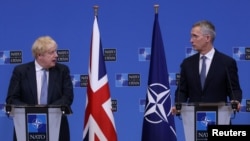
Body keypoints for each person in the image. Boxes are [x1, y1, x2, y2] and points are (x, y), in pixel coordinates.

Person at [6, 35, 74, 141]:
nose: (56, 55)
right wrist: (32, 110)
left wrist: (46, 110)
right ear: (39, 55)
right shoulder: (21, 71)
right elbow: (12, 98)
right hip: (27, 127)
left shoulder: (62, 71)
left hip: (56, 126)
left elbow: (67, 97)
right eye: (51, 52)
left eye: (56, 51)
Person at [172, 20, 242, 115]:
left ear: (207, 38)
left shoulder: (227, 63)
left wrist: (236, 100)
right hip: (193, 119)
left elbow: (234, 89)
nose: (191, 40)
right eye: (191, 36)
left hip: (219, 118)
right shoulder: (187, 64)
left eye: (195, 36)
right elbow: (182, 91)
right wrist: (178, 104)